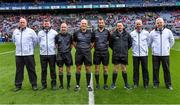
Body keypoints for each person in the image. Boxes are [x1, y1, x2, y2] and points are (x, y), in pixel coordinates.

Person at [12, 18, 38, 91]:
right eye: (21, 22)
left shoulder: (31, 31)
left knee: (31, 70)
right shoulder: (15, 31)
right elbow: (14, 40)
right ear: (19, 23)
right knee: (19, 70)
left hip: (29, 54)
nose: (22, 23)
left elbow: (35, 41)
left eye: (23, 22)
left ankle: (34, 84)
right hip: (18, 55)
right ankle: (18, 85)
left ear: (26, 23)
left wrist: (30, 48)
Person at [149, 17, 175, 90]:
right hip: (155, 55)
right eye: (158, 23)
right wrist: (154, 49)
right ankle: (156, 83)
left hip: (165, 54)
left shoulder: (168, 31)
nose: (159, 24)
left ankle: (168, 84)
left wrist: (167, 48)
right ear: (156, 24)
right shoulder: (152, 32)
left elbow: (172, 41)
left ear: (163, 23)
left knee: (166, 70)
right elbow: (149, 43)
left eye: (160, 22)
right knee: (155, 69)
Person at [109, 22, 132, 90]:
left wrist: (125, 49)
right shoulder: (113, 34)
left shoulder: (127, 34)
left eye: (120, 26)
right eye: (118, 26)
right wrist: (115, 49)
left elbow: (130, 44)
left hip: (124, 54)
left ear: (123, 26)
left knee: (124, 69)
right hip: (116, 54)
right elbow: (110, 44)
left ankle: (126, 84)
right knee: (115, 69)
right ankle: (113, 84)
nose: (119, 27)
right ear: (116, 27)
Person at [73, 19, 93, 91]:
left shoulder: (90, 33)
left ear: (87, 25)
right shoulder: (76, 33)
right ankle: (77, 85)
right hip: (79, 53)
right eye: (82, 23)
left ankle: (88, 85)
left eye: (85, 23)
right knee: (78, 68)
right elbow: (74, 42)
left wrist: (88, 49)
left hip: (87, 53)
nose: (83, 25)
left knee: (88, 68)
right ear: (80, 24)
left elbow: (93, 43)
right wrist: (78, 48)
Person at [38, 19, 57, 90]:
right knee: (43, 70)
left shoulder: (54, 32)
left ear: (50, 24)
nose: (46, 25)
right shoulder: (40, 33)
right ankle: (44, 84)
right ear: (43, 24)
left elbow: (56, 42)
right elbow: (38, 42)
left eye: (47, 24)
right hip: (43, 54)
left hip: (52, 54)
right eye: (45, 24)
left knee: (53, 70)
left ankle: (54, 84)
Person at [92, 17, 111, 90]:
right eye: (99, 23)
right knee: (96, 69)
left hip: (105, 53)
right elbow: (92, 42)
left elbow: (110, 41)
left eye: (102, 23)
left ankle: (105, 84)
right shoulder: (94, 32)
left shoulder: (107, 32)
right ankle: (97, 84)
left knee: (105, 69)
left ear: (104, 23)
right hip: (97, 53)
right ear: (98, 24)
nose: (101, 24)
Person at [130, 19, 149, 88]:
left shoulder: (146, 33)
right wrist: (134, 49)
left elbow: (148, 43)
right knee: (135, 69)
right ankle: (135, 83)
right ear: (135, 25)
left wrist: (145, 50)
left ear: (142, 24)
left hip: (144, 54)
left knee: (145, 69)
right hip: (135, 55)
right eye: (137, 24)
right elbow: (131, 43)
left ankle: (146, 83)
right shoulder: (132, 33)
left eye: (139, 24)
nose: (138, 25)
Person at [55, 23, 73, 90]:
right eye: (62, 27)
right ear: (60, 28)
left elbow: (71, 45)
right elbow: (56, 45)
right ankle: (61, 85)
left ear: (67, 28)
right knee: (60, 70)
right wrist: (60, 50)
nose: (63, 28)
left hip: (68, 54)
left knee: (68, 70)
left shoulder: (70, 36)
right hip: (60, 54)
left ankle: (68, 85)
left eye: (64, 27)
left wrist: (67, 51)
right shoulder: (57, 36)